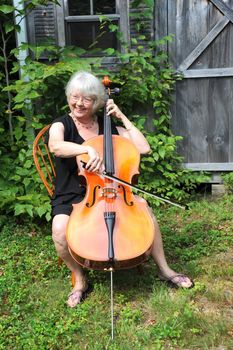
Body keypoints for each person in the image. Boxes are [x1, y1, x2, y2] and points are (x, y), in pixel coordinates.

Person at [48, 71, 194, 308]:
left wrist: (123, 117)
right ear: (68, 97)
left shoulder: (109, 127)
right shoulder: (61, 124)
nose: (79, 103)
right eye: (75, 97)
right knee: (59, 229)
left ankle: (165, 270)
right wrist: (86, 150)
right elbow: (55, 146)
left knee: (143, 207)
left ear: (97, 102)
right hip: (73, 194)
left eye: (86, 99)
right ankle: (80, 279)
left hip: (114, 191)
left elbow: (143, 148)